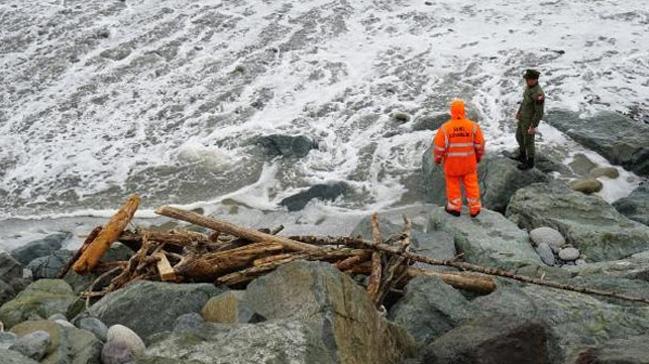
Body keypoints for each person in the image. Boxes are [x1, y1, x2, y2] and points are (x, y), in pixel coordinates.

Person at [433, 99, 485, 218]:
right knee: (472, 185)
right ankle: (475, 208)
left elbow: (438, 147)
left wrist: (437, 159)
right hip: (468, 163)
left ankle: (455, 207)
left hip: (452, 164)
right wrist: (479, 156)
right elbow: (480, 144)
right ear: (463, 111)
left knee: (453, 185)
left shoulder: (445, 128)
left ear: (452, 112)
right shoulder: (473, 126)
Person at [515, 69, 545, 170]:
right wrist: (519, 112)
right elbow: (524, 102)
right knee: (519, 136)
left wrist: (533, 126)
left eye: (529, 79)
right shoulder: (529, 87)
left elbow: (539, 113)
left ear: (535, 80)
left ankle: (530, 162)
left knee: (529, 141)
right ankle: (522, 156)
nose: (527, 81)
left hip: (529, 121)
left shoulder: (538, 94)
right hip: (523, 117)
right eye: (526, 79)